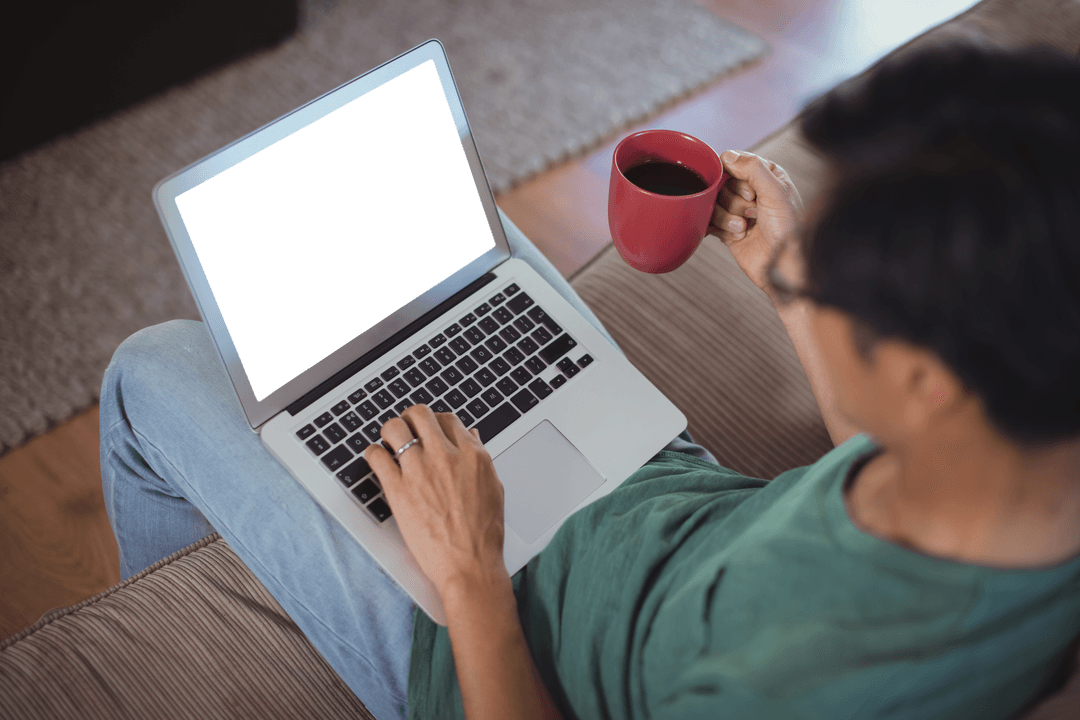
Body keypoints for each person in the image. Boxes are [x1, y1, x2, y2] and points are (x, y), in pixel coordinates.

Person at [100, 42, 1080, 720]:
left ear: (925, 381)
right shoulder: (1036, 467)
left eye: (840, 287)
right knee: (469, 256)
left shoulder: (810, 684)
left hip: (480, 630)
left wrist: (471, 573)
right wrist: (793, 287)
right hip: (664, 487)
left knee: (152, 367)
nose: (808, 279)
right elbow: (900, 451)